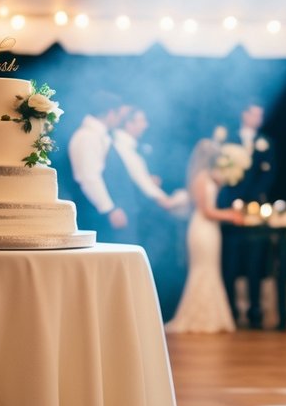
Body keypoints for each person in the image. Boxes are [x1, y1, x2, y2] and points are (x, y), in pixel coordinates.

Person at [166, 140, 243, 333]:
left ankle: (212, 315)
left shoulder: (209, 177)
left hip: (210, 229)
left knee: (211, 269)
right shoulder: (200, 178)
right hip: (202, 228)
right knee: (202, 269)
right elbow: (207, 211)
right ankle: (200, 316)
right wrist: (230, 215)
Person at [216, 102, 276, 328]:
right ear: (244, 114)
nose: (259, 118)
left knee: (255, 261)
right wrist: (233, 202)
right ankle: (230, 309)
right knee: (230, 262)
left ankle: (255, 310)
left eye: (261, 114)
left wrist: (254, 199)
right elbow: (222, 172)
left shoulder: (267, 142)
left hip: (254, 209)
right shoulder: (228, 140)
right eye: (255, 114)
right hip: (231, 210)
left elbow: (270, 173)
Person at [108, 109, 187, 243]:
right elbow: (143, 182)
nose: (146, 125)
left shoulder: (127, 146)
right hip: (134, 212)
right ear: (128, 124)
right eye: (142, 121)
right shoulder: (123, 147)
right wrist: (167, 200)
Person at [67, 92, 131, 241]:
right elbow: (88, 177)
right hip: (96, 217)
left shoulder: (100, 136)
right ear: (110, 113)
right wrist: (109, 209)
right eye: (119, 116)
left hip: (105, 216)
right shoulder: (87, 137)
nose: (120, 120)